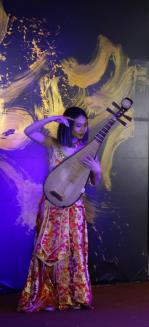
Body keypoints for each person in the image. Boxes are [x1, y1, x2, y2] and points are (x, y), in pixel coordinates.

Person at [18, 107, 101, 312]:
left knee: (74, 252)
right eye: (78, 125)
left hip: (75, 208)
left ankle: (73, 296)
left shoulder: (87, 150)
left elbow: (94, 181)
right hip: (52, 207)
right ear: (69, 125)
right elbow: (29, 131)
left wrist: (97, 171)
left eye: (85, 125)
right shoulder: (53, 145)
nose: (82, 129)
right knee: (50, 250)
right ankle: (48, 297)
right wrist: (53, 118)